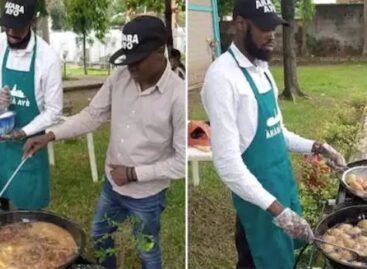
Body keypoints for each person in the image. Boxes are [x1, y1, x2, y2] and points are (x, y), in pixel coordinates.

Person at [23, 15, 185, 269]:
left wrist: (132, 174)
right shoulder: (120, 77)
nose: (130, 67)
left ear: (159, 51)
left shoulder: (178, 96)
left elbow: (181, 162)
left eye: (137, 60)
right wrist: (49, 135)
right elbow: (91, 116)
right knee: (100, 235)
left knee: (147, 251)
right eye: (127, 58)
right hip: (112, 185)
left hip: (147, 194)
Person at [200, 0, 346, 268]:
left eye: (275, 28)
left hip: (282, 189)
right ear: (240, 24)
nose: (272, 35)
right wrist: (278, 211)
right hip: (259, 207)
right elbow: (227, 164)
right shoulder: (222, 77)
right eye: (265, 27)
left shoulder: (262, 69)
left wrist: (318, 146)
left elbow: (277, 132)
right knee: (257, 261)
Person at [0, 0, 62, 210]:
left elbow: (54, 111)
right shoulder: (0, 45)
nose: (10, 33)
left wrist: (22, 132)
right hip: (1, 146)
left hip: (28, 147)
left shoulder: (47, 58)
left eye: (16, 27)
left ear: (33, 22)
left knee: (28, 217)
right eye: (6, 26)